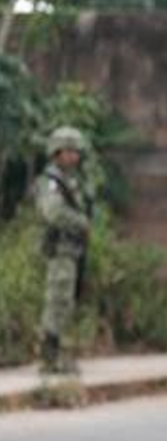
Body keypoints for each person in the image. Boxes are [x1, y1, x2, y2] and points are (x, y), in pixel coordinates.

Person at [37, 126, 93, 375]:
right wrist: (81, 223)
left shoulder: (69, 181)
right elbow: (53, 212)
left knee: (66, 302)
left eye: (76, 152)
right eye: (70, 151)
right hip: (60, 250)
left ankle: (57, 355)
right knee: (57, 301)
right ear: (57, 152)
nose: (75, 157)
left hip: (71, 252)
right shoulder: (51, 181)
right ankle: (50, 359)